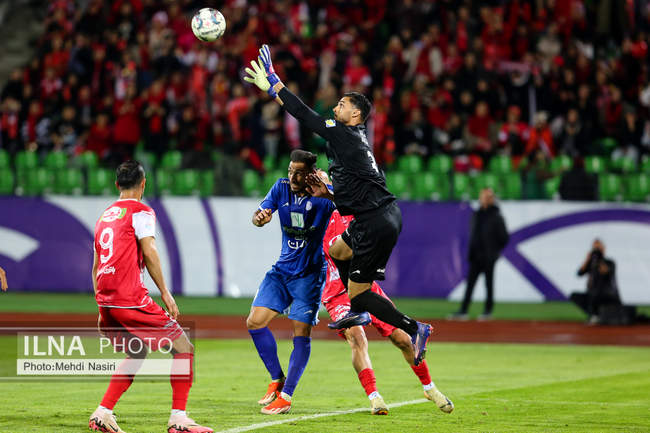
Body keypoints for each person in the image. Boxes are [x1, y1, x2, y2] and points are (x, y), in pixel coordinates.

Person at [244, 45, 433, 367]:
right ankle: (357, 311)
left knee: (360, 292)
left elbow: (305, 114)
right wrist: (329, 195)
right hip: (380, 216)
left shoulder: (344, 134)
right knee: (337, 251)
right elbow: (360, 193)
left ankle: (415, 328)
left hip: (374, 222)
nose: (336, 107)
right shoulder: (356, 143)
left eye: (342, 105)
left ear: (355, 115)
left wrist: (275, 84)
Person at [89, 161, 212, 433]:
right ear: (143, 184)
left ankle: (103, 412)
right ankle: (178, 419)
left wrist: (101, 308)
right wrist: (165, 292)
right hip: (130, 298)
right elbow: (150, 251)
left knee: (137, 350)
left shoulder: (104, 217)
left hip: (107, 299)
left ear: (117, 185)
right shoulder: (141, 211)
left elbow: (97, 266)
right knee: (183, 347)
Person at [322, 209, 454, 415]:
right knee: (357, 337)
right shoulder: (323, 212)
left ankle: (430, 388)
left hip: (364, 287)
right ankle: (374, 397)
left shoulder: (362, 213)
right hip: (338, 293)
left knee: (403, 339)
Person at [246, 149, 335, 415]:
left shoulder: (323, 197)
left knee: (300, 332)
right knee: (254, 322)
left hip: (310, 275)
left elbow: (352, 207)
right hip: (282, 271)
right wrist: (259, 218)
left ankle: (286, 396)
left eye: (299, 173)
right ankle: (277, 379)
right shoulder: (281, 187)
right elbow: (258, 215)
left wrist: (329, 191)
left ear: (311, 174)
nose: (293, 177)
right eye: (290, 171)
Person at [450, 188, 509, 320]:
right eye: (482, 196)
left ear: (491, 199)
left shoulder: (496, 216)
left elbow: (504, 237)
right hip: (476, 256)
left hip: (489, 257)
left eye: (487, 197)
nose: (483, 199)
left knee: (489, 285)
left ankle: (487, 311)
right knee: (470, 285)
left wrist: (494, 252)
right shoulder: (477, 214)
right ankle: (463, 311)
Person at [570, 239, 621, 324]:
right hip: (593, 293)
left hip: (607, 294)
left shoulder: (610, 262)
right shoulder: (591, 263)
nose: (596, 250)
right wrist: (587, 259)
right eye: (594, 248)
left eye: (598, 248)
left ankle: (596, 315)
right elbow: (579, 273)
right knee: (575, 296)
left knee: (595, 293)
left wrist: (600, 259)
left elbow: (606, 272)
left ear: (603, 248)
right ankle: (594, 315)